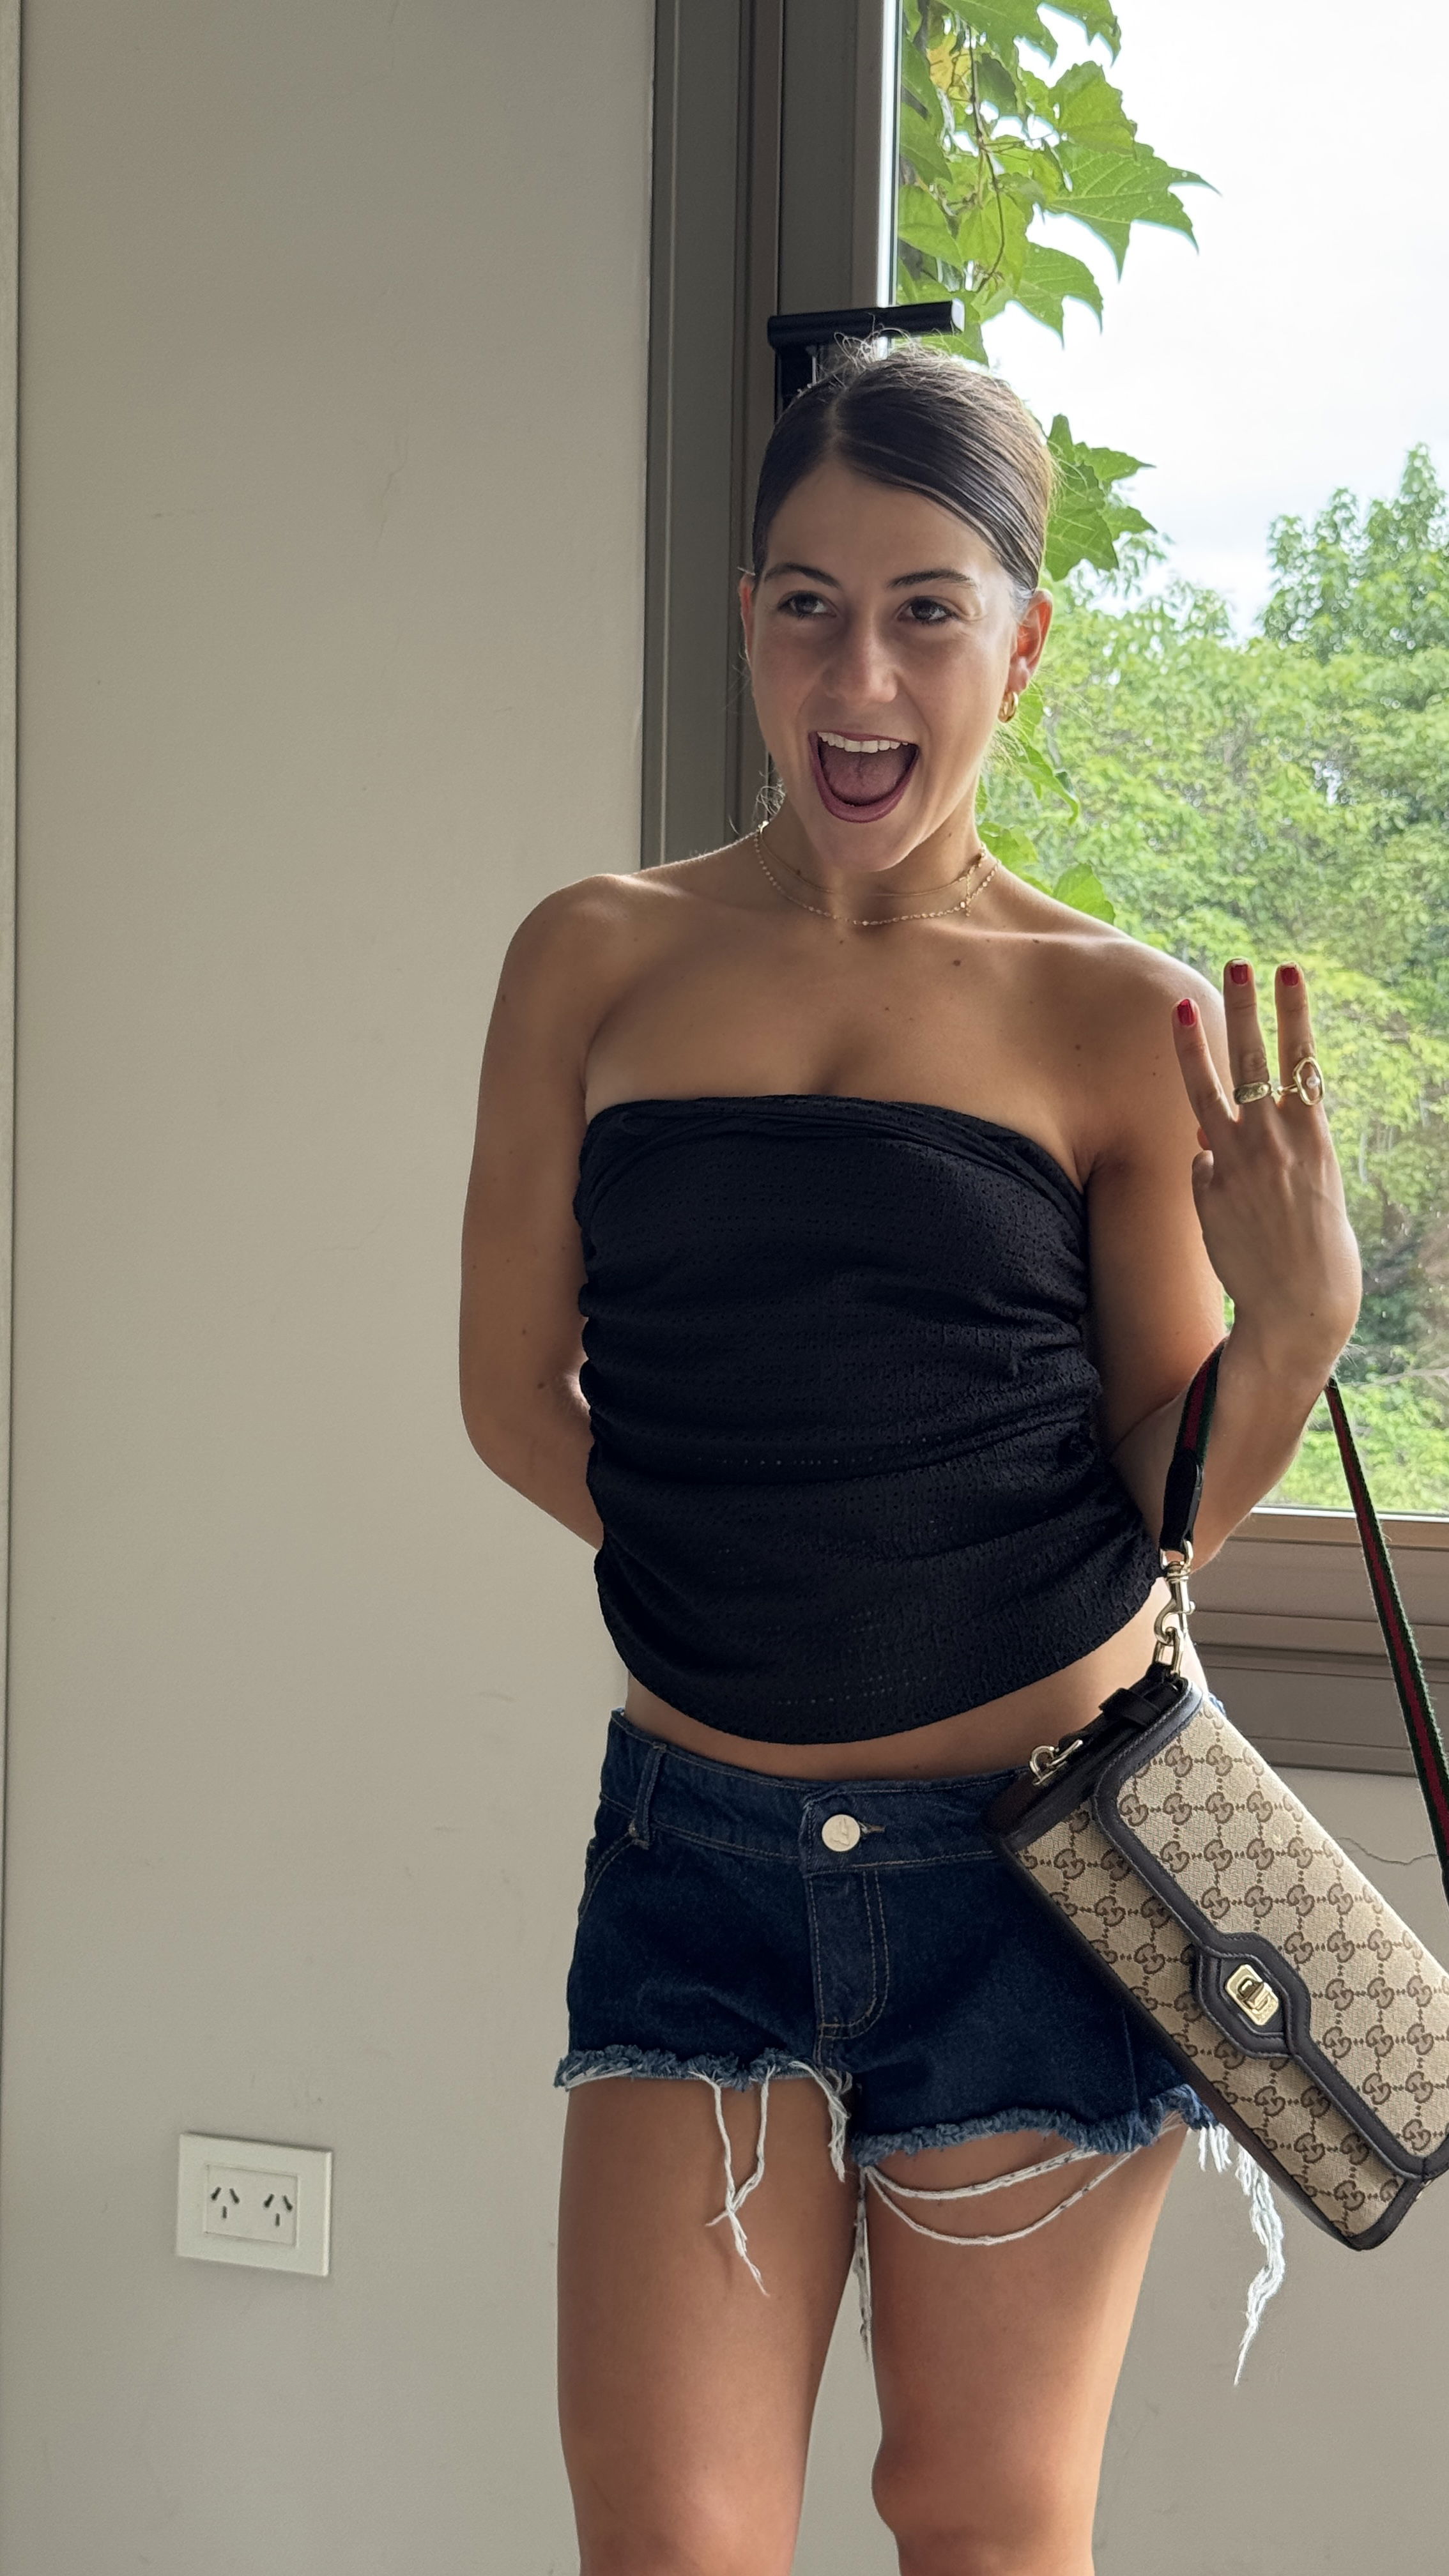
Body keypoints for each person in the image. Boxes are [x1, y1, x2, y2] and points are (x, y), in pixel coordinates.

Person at [459, 340, 1361, 2576]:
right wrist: (773, 1567)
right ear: (746, 622)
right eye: (807, 606)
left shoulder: (1116, 1015)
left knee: (978, 2525)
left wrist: (1297, 1328)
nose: (857, 677)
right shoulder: (592, 957)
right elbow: (509, 1394)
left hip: (1042, 1880)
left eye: (924, 612)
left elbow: (1164, 1507)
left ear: (1018, 644)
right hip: (695, 1868)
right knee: (666, 2540)